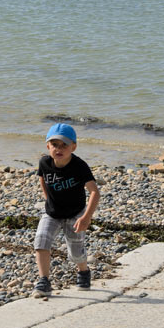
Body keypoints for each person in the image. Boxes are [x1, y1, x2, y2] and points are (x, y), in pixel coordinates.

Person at [33, 123, 100, 298]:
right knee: (41, 241)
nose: (59, 149)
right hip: (52, 213)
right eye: (55, 144)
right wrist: (48, 200)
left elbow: (94, 191)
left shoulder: (79, 166)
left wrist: (86, 218)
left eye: (64, 145)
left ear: (74, 147)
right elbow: (42, 179)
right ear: (48, 146)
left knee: (75, 253)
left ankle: (83, 271)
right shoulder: (44, 162)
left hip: (75, 214)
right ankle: (44, 280)